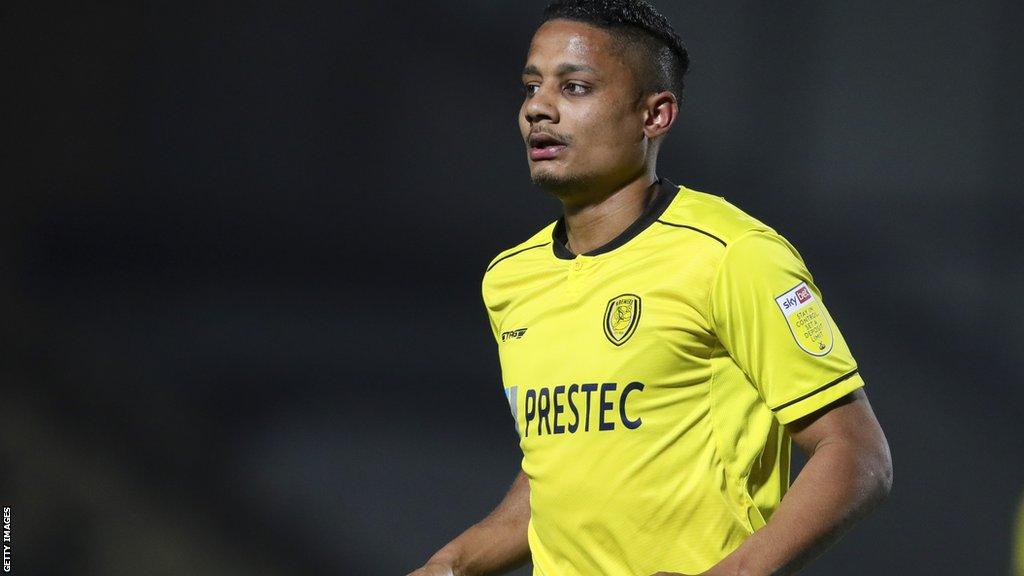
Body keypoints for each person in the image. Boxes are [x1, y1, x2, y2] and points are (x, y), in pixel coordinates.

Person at [409, 1, 892, 575]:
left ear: (655, 115)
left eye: (576, 88)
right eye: (532, 85)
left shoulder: (731, 254)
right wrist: (452, 564)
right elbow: (563, 476)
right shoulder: (512, 279)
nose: (538, 107)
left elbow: (857, 453)